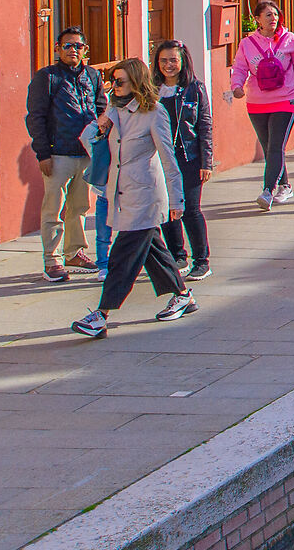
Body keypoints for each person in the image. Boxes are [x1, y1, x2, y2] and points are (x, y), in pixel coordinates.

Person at [69, 58, 195, 338]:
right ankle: (183, 295)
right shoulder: (114, 111)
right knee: (153, 251)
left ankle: (101, 315)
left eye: (120, 81)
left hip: (146, 196)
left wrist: (177, 201)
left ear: (136, 82)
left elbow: (168, 158)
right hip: (120, 192)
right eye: (112, 81)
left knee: (122, 256)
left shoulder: (154, 113)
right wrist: (99, 125)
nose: (114, 86)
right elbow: (89, 143)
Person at [28, 25, 105, 282]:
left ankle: (74, 253)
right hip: (57, 154)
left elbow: (102, 110)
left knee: (80, 207)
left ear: (85, 50)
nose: (74, 50)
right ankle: (53, 260)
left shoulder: (92, 77)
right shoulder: (47, 77)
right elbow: (36, 117)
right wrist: (43, 154)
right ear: (58, 49)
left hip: (85, 154)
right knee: (53, 209)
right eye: (68, 45)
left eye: (79, 46)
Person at [229, 1, 294, 210]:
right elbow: (239, 67)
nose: (273, 18)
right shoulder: (247, 44)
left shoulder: (290, 40)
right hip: (257, 102)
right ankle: (285, 185)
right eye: (267, 15)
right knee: (269, 148)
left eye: (275, 14)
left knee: (276, 146)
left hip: (286, 99)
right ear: (257, 19)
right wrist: (236, 86)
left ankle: (267, 190)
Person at [154, 41, 215, 280]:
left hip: (189, 157)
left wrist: (206, 162)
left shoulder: (194, 88)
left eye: (173, 60)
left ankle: (202, 260)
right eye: (163, 61)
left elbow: (204, 125)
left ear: (182, 62)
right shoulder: (152, 89)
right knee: (168, 208)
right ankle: (177, 256)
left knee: (190, 209)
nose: (168, 65)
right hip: (161, 158)